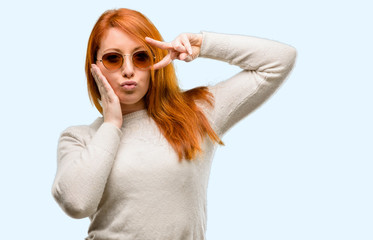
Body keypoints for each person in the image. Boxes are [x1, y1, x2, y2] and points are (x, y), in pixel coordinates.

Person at [51, 8, 296, 240]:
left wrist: (203, 44)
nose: (128, 70)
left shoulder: (195, 114)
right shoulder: (80, 137)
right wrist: (112, 124)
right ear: (94, 67)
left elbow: (279, 60)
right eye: (113, 59)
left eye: (141, 57)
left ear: (154, 61)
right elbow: (76, 204)